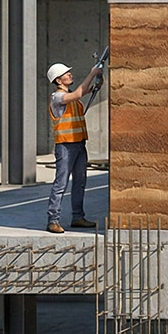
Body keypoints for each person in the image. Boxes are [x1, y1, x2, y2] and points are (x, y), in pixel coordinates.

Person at [45, 59, 102, 233]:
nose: (70, 74)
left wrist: (98, 80)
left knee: (80, 182)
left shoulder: (72, 98)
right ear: (58, 80)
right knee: (61, 183)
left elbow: (81, 92)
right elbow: (77, 94)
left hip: (78, 143)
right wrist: (92, 73)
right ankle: (52, 220)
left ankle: (78, 217)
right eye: (65, 74)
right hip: (65, 146)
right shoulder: (58, 97)